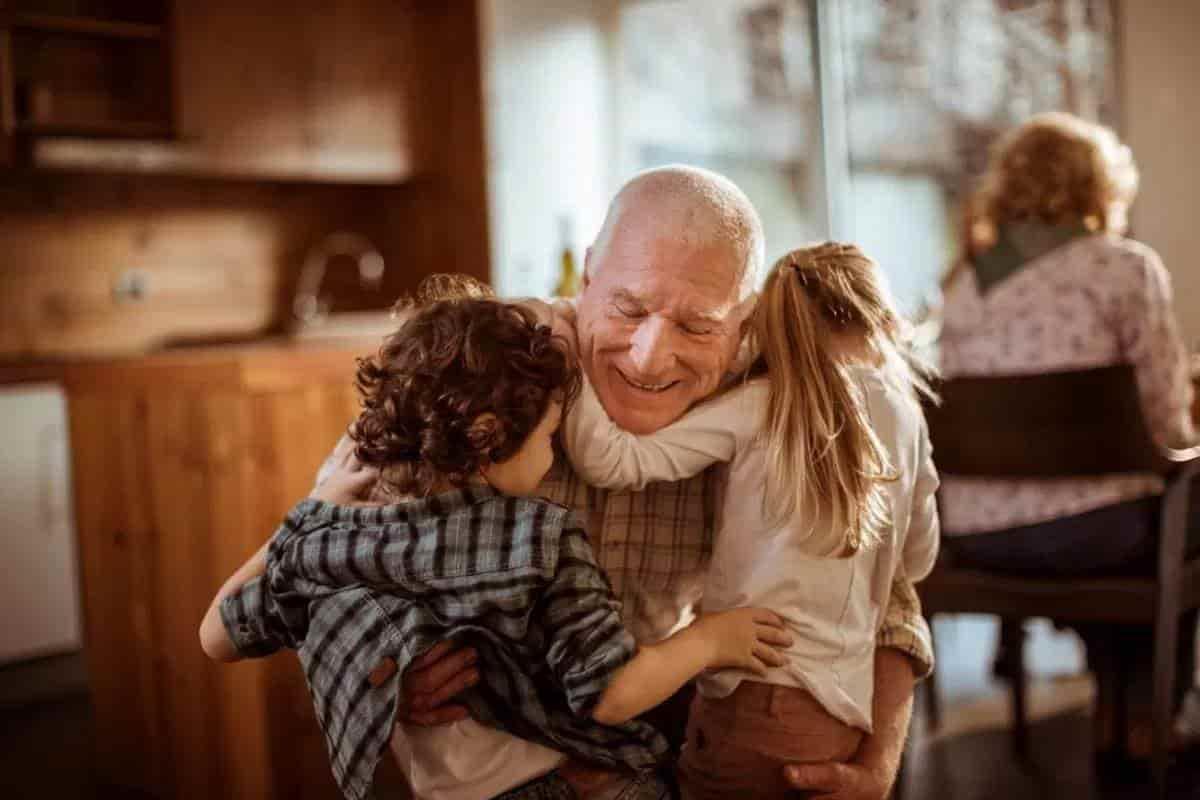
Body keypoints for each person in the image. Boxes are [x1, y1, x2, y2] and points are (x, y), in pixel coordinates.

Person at [320, 166, 935, 800]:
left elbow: (888, 593)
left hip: (651, 733)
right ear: (588, 276)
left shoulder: (765, 402)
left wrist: (879, 759)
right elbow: (320, 554)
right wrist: (383, 671)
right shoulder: (484, 364)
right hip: (479, 762)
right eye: (628, 308)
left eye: (697, 326)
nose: (648, 358)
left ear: (744, 321)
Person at [199, 289, 792, 800]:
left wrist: (310, 518)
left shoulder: (337, 537)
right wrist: (713, 639)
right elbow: (610, 693)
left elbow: (216, 635)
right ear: (487, 438)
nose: (553, 455)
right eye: (549, 438)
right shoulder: (538, 539)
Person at [560, 241, 939, 798]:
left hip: (750, 698)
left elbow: (611, 459)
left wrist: (568, 350)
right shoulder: (908, 419)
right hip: (842, 714)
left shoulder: (763, 403)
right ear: (883, 318)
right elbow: (919, 560)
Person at [938, 111, 1200, 756]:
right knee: (1179, 504)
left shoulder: (965, 284)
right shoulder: (1124, 268)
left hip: (975, 535)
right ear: (1099, 188)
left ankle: (1118, 703)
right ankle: (1145, 715)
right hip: (1098, 534)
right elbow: (1167, 420)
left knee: (1124, 512)